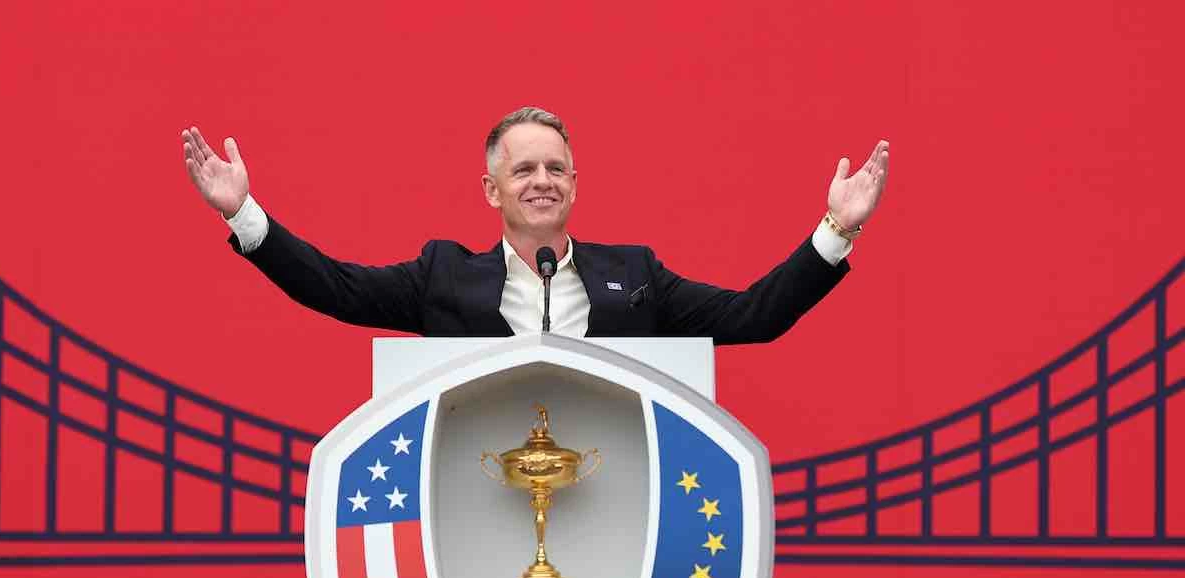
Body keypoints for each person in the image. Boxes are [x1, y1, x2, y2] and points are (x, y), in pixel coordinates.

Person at [181, 107, 888, 344]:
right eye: (523, 170)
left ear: (575, 184)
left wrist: (837, 226)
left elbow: (753, 317)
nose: (541, 181)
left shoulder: (637, 275)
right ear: (491, 191)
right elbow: (334, 287)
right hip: (470, 499)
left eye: (555, 168)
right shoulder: (442, 275)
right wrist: (243, 213)